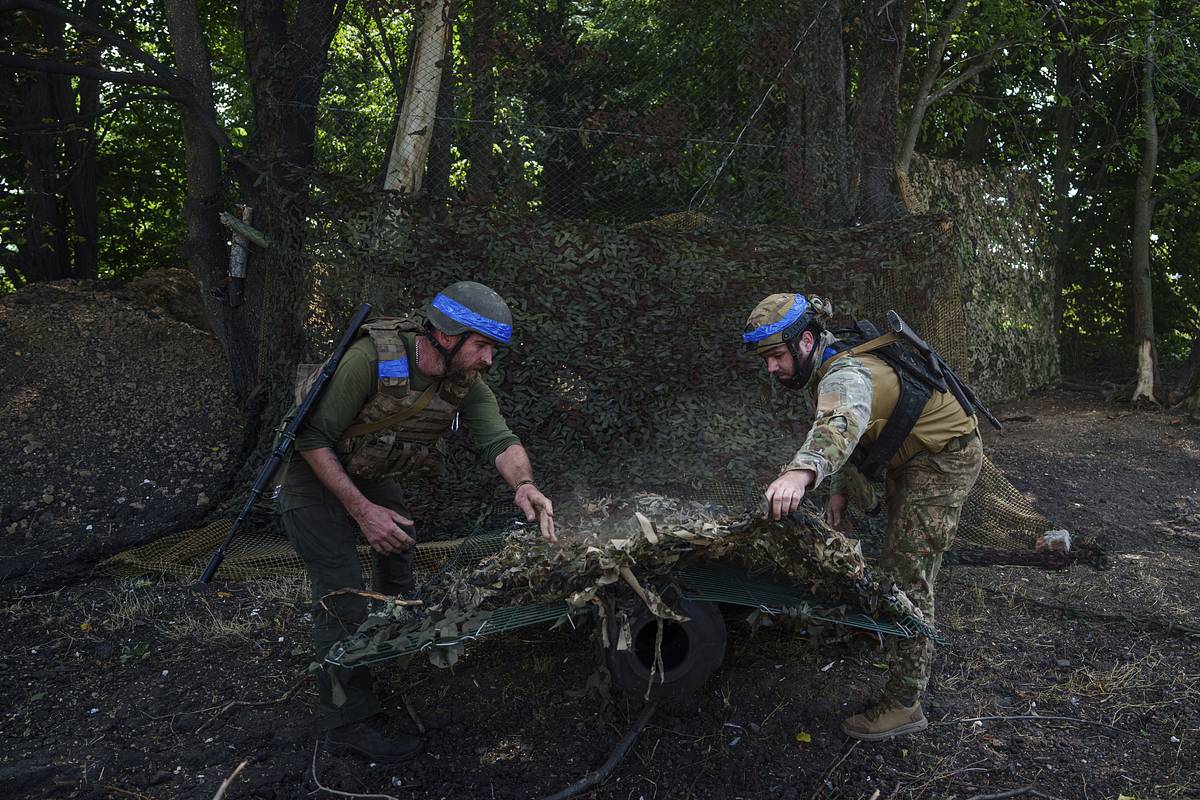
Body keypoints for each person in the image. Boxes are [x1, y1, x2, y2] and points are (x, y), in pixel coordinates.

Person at [280, 281, 556, 763]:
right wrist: (363, 513)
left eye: (493, 348)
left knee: (401, 545)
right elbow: (311, 439)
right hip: (314, 475)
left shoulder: (464, 380)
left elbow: (499, 439)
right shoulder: (369, 361)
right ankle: (349, 718)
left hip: (369, 471)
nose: (488, 359)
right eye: (482, 345)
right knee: (340, 589)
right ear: (446, 336)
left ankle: (390, 646)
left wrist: (523, 485)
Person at [741, 292, 983, 741]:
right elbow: (853, 429)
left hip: (942, 459)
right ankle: (887, 633)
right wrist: (838, 492)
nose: (771, 369)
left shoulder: (846, 373)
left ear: (808, 341)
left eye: (776, 356)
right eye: (766, 359)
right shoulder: (828, 362)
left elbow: (841, 421)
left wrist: (800, 473)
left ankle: (905, 703)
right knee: (889, 552)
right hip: (905, 455)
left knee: (908, 575)